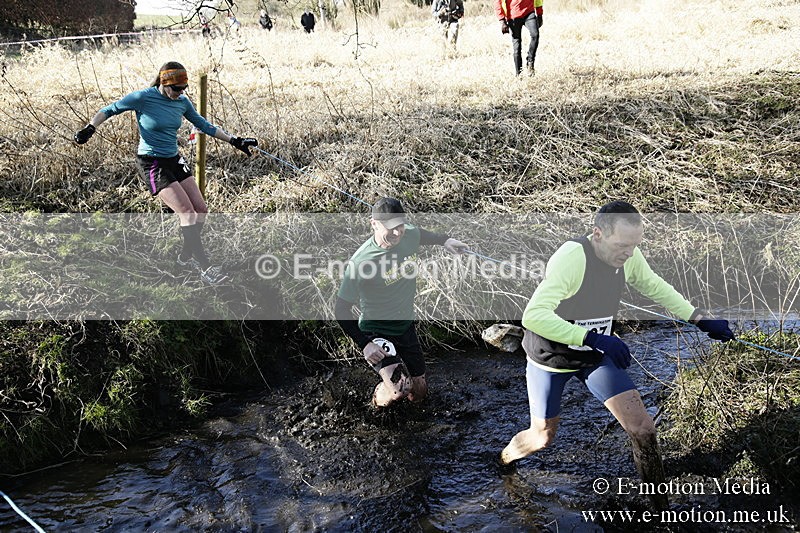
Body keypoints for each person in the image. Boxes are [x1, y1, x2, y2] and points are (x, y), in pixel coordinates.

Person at [499, 201, 735, 510]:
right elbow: (533, 316)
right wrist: (591, 337)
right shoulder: (572, 259)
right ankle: (503, 461)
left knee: (643, 427)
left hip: (596, 352)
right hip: (552, 356)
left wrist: (699, 318)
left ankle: (658, 507)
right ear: (598, 234)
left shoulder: (628, 257)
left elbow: (654, 286)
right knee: (542, 437)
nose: (629, 253)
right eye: (622, 245)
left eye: (634, 245)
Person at [73, 61, 258, 285]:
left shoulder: (181, 102)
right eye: (176, 89)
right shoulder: (143, 98)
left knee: (201, 210)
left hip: (173, 159)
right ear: (164, 83)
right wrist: (90, 128)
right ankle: (206, 268)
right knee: (187, 213)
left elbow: (204, 125)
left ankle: (184, 257)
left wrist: (235, 141)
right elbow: (109, 109)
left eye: (184, 89)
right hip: (151, 162)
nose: (180, 93)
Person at [335, 198, 468, 408]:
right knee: (400, 389)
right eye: (391, 228)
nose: (397, 233)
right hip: (376, 331)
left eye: (400, 227)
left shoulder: (409, 234)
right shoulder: (361, 263)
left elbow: (421, 234)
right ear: (374, 224)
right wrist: (365, 345)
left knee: (419, 392)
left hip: (405, 327)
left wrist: (446, 240)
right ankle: (375, 404)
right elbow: (340, 309)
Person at [496, 0, 543, 76]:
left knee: (535, 35)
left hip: (529, 12)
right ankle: (519, 75)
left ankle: (530, 62)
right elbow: (497, 2)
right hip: (513, 16)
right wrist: (502, 20)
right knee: (517, 47)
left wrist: (539, 13)